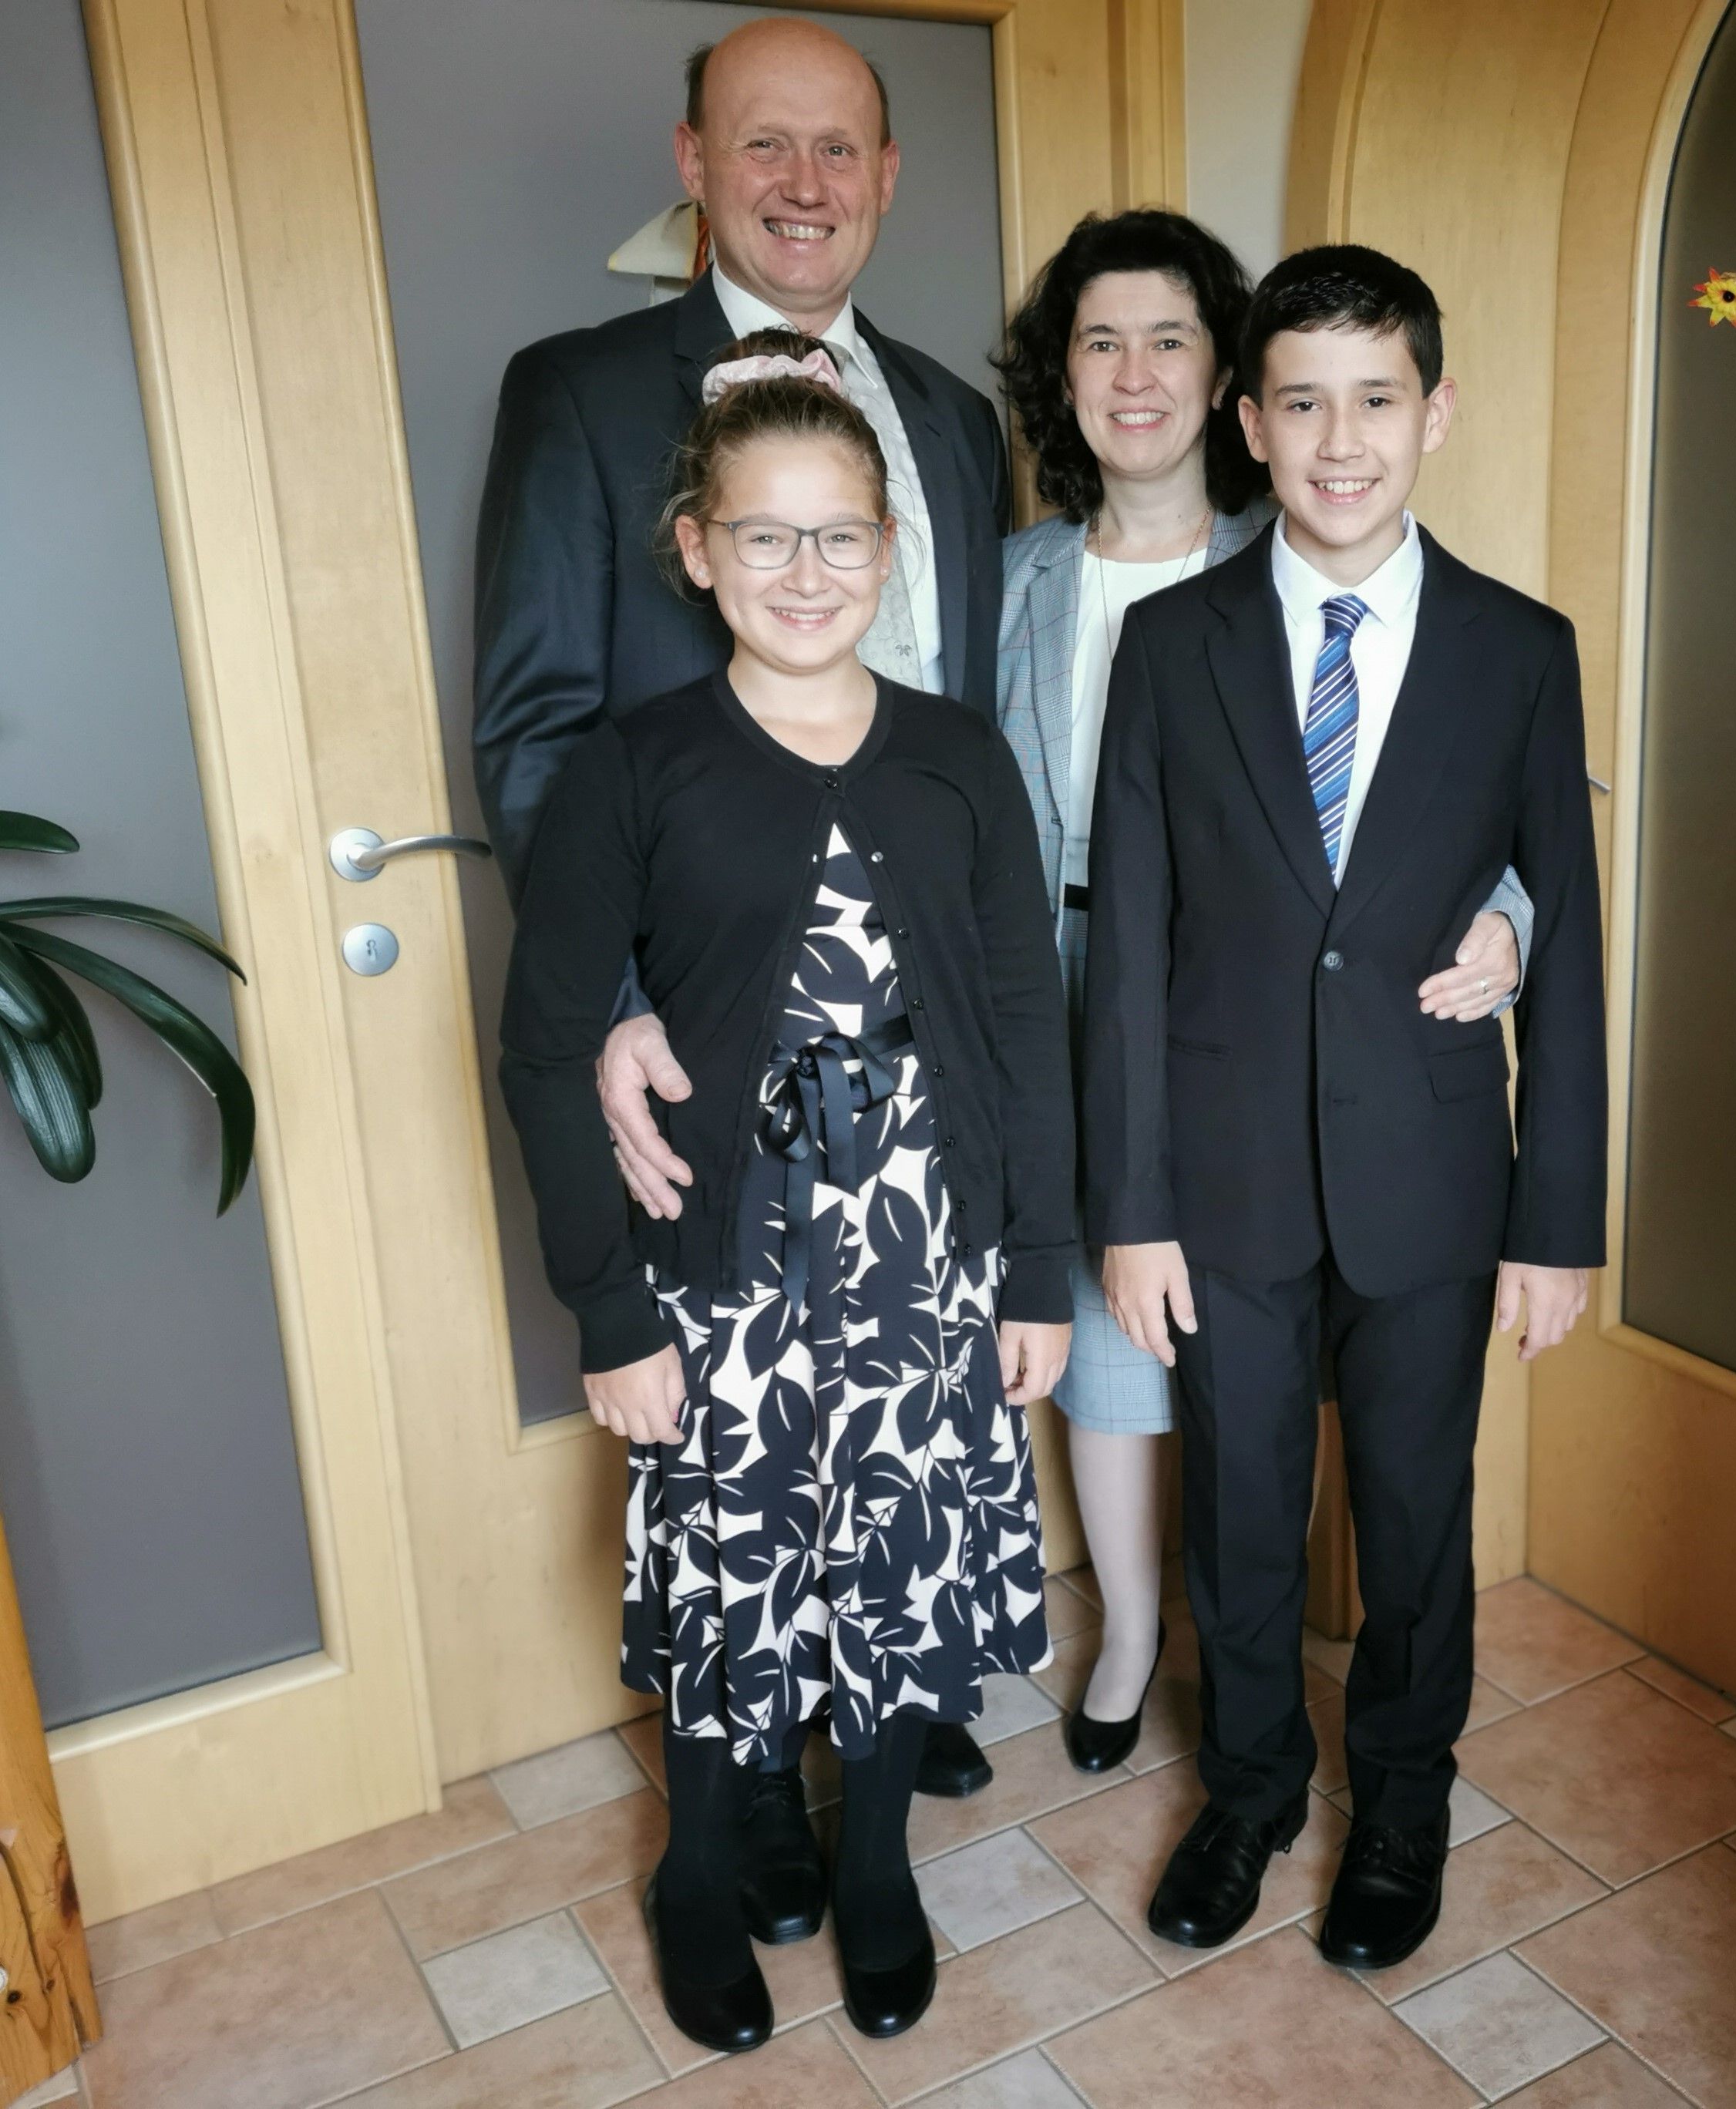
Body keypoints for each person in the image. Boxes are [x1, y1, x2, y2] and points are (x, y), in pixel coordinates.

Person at [473, 12, 1007, 1932]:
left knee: (880, 1473)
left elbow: (967, 732)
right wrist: (612, 1000)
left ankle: (874, 1741)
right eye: (762, 145)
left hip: (920, 1069)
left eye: (841, 150)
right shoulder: (588, 391)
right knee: (727, 1469)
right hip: (703, 1039)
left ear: (885, 178)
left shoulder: (952, 415)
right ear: (692, 161)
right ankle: (743, 1816)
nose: (804, 183)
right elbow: (539, 726)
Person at [498, 336, 1074, 2052]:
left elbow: (1022, 1013)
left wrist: (1035, 1263)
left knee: (896, 1568)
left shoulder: (960, 757)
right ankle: (700, 1871)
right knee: (734, 1574)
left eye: (838, 537)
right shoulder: (632, 768)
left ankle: (877, 1863)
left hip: (922, 1261)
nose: (803, 573)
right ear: (696, 548)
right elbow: (543, 1057)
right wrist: (609, 1307)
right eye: (763, 535)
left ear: (890, 549)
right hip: (726, 1273)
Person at [1084, 245, 1606, 1971]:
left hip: (1434, 1179)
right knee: (1236, 1515)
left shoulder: (1522, 651)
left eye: (1374, 399)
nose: (1338, 440)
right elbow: (1137, 941)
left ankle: (1399, 1799)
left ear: (1432, 412)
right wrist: (1130, 1204)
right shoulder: (1170, 648)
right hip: (1219, 1183)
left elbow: (1569, 930)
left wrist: (1558, 1224)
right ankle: (1247, 1794)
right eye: (1297, 401)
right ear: (1247, 421)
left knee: (1413, 1521)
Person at [991, 210, 1532, 1768]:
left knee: (1308, 1387)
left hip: (1267, 1002)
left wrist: (1507, 916)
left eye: (1169, 337)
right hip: (1063, 976)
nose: (1133, 371)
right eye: (1099, 340)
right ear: (1064, 375)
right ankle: (1142, 1645)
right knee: (1116, 1322)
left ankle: (1347, 1732)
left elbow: (1481, 805)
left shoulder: (1305, 547)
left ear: (1225, 380)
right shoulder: (1017, 578)